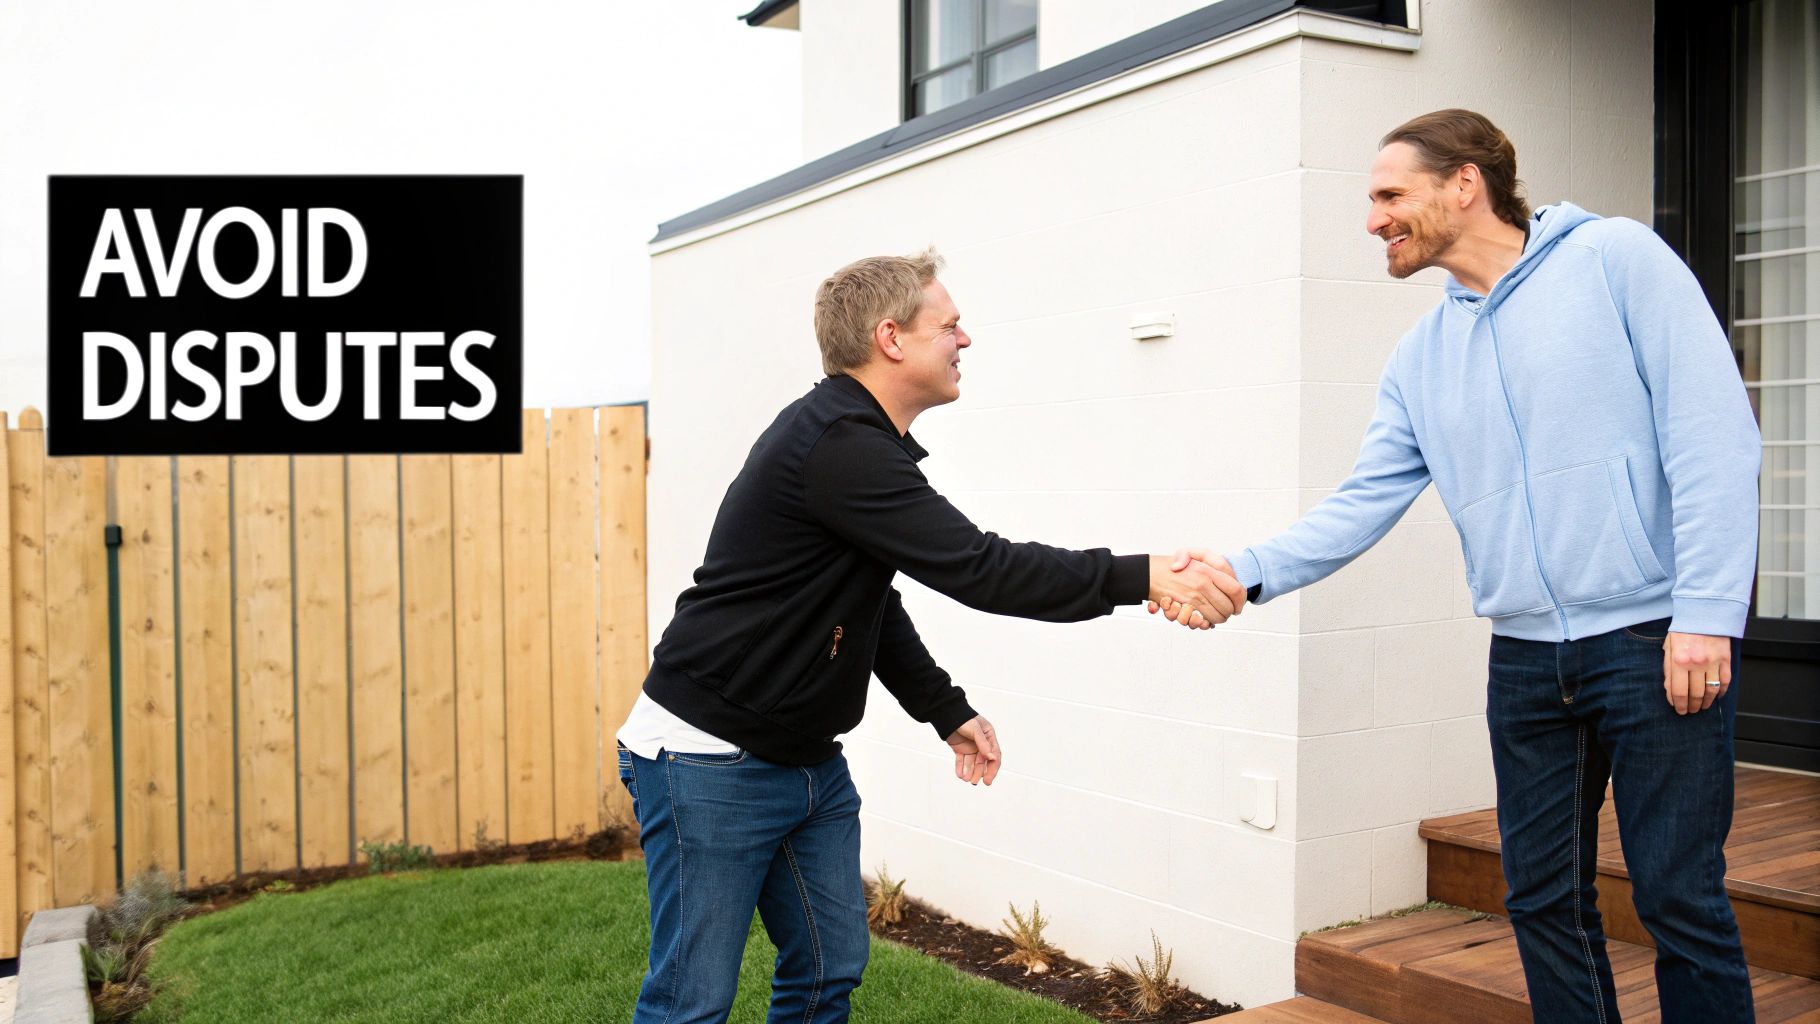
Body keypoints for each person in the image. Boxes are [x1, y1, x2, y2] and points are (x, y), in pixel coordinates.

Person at [1159, 109, 1761, 1023]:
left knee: (1679, 897)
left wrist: (1707, 608)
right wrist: (1244, 570)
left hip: (1652, 636)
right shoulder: (1421, 357)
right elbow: (1361, 501)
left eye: (1389, 195)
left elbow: (1712, 434)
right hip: (1525, 658)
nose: (1372, 220)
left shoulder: (1616, 262)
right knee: (1540, 899)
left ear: (1465, 184)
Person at [617, 247, 1240, 1024]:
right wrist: (1142, 573)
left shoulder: (856, 442)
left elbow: (866, 601)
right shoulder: (838, 446)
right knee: (691, 1003)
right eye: (950, 325)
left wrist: (945, 710)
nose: (965, 340)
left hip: (807, 762)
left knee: (827, 970)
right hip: (709, 757)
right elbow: (983, 569)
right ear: (891, 338)